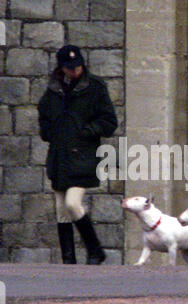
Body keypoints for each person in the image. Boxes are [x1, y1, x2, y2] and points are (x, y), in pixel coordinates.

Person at [38, 45, 118, 265]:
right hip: (59, 156)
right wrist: (49, 132)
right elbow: (44, 115)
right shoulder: (53, 91)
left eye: (77, 66)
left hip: (83, 156)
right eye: (70, 67)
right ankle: (68, 261)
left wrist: (86, 132)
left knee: (73, 204)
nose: (75, 71)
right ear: (62, 68)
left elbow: (109, 122)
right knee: (61, 211)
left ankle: (95, 250)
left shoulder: (95, 88)